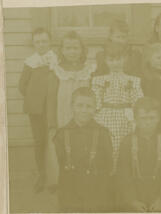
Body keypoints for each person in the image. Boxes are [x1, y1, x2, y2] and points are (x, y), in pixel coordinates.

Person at [46, 31, 95, 189]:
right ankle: (63, 180)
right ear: (62, 50)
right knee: (64, 145)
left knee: (83, 144)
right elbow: (51, 98)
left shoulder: (89, 70)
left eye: (76, 48)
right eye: (68, 48)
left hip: (84, 114)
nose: (72, 52)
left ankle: (82, 178)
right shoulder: (56, 71)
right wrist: (52, 121)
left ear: (82, 50)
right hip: (63, 113)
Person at [54, 87, 112, 212]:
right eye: (79, 105)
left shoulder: (103, 133)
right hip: (70, 193)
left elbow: (108, 165)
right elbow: (58, 168)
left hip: (97, 192)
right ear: (72, 106)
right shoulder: (61, 134)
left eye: (89, 106)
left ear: (95, 107)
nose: (84, 110)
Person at [91, 42, 144, 174]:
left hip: (125, 118)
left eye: (118, 59)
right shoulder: (99, 80)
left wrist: (134, 119)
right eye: (111, 60)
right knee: (107, 147)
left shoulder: (132, 80)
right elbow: (95, 102)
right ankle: (108, 177)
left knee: (124, 148)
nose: (115, 63)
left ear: (125, 59)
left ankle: (122, 177)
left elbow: (137, 102)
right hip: (105, 117)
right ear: (106, 60)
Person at [18, 27, 58, 193]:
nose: (41, 44)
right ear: (33, 44)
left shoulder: (56, 60)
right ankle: (42, 175)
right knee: (39, 141)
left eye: (44, 41)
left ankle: (55, 176)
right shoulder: (30, 62)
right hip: (36, 110)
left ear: (50, 42)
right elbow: (22, 86)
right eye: (37, 42)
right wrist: (35, 98)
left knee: (55, 140)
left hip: (54, 107)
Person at [117, 97, 161, 212]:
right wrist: (132, 200)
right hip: (134, 199)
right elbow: (123, 176)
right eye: (143, 118)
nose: (148, 122)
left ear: (158, 119)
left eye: (152, 118)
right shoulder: (126, 142)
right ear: (135, 119)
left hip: (159, 199)